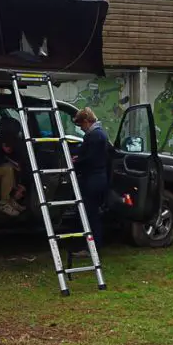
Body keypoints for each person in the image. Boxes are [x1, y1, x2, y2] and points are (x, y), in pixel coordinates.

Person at [72, 107, 109, 250]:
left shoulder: (93, 136)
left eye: (81, 125)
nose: (81, 128)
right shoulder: (100, 135)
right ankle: (94, 246)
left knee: (90, 215)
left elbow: (90, 158)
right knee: (92, 214)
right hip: (99, 178)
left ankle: (92, 247)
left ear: (87, 121)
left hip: (93, 179)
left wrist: (77, 161)